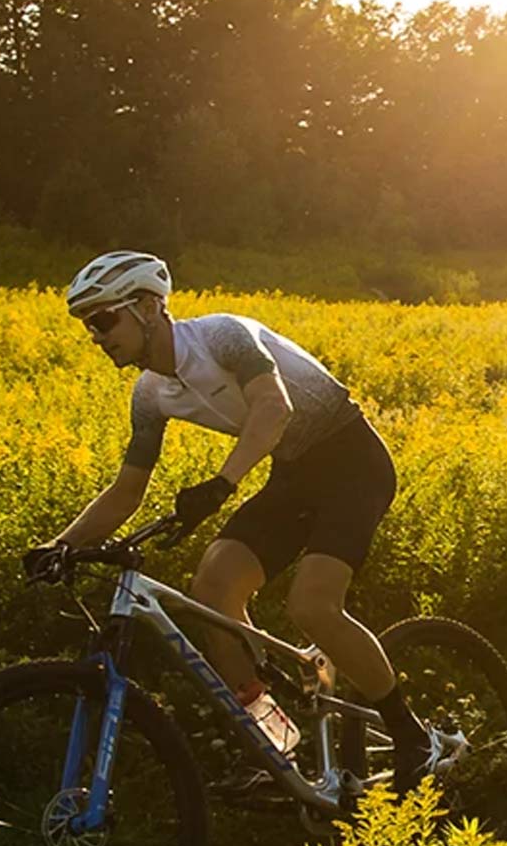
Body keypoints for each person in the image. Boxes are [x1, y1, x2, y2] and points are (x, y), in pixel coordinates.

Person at [24, 250, 431, 792]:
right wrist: (60, 545)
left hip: (351, 461)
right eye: (87, 326)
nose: (96, 336)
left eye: (103, 320)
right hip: (293, 474)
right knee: (214, 587)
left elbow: (274, 410)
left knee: (312, 604)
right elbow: (127, 492)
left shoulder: (223, 336)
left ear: (147, 307)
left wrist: (221, 486)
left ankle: (412, 736)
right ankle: (278, 750)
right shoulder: (149, 394)